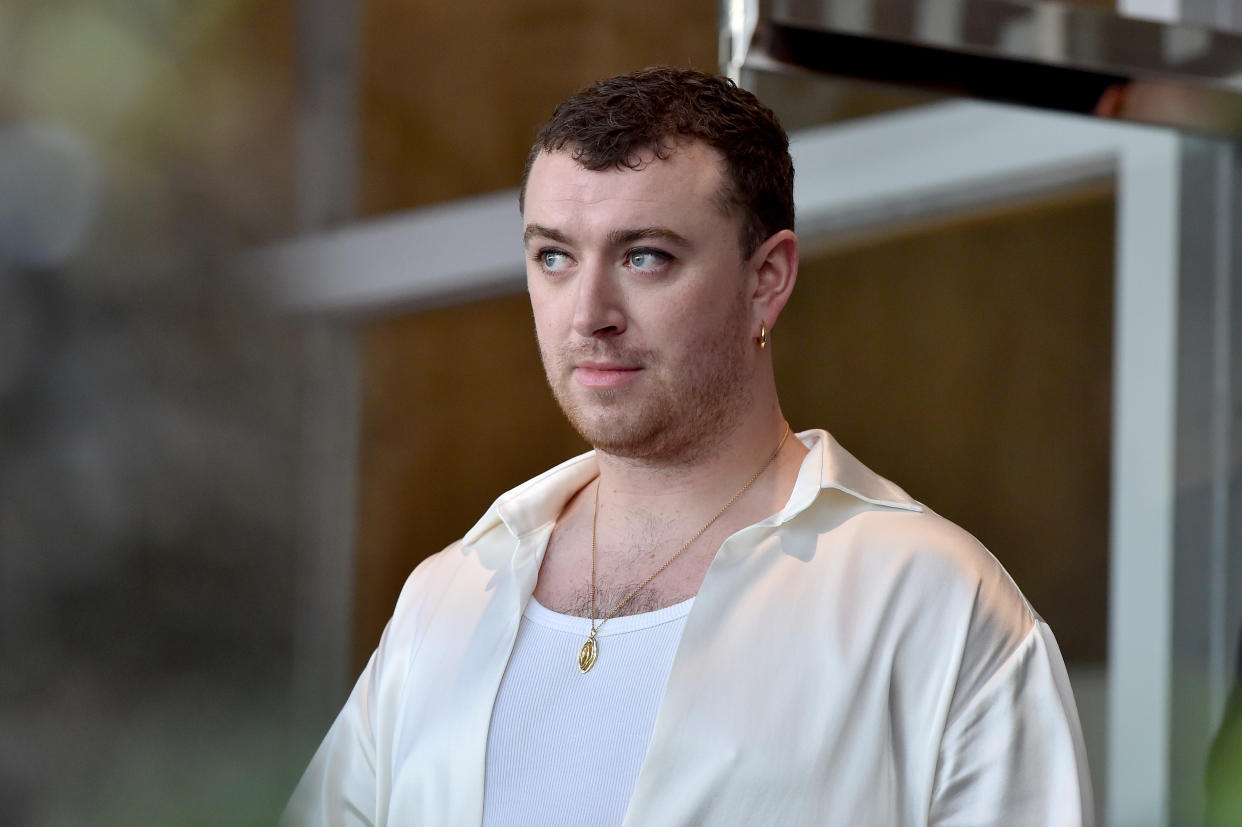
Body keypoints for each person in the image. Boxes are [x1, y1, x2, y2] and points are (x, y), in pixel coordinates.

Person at [282, 66, 1093, 826]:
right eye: (554, 257)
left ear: (766, 279)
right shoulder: (447, 597)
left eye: (645, 257)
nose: (588, 312)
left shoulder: (933, 603)